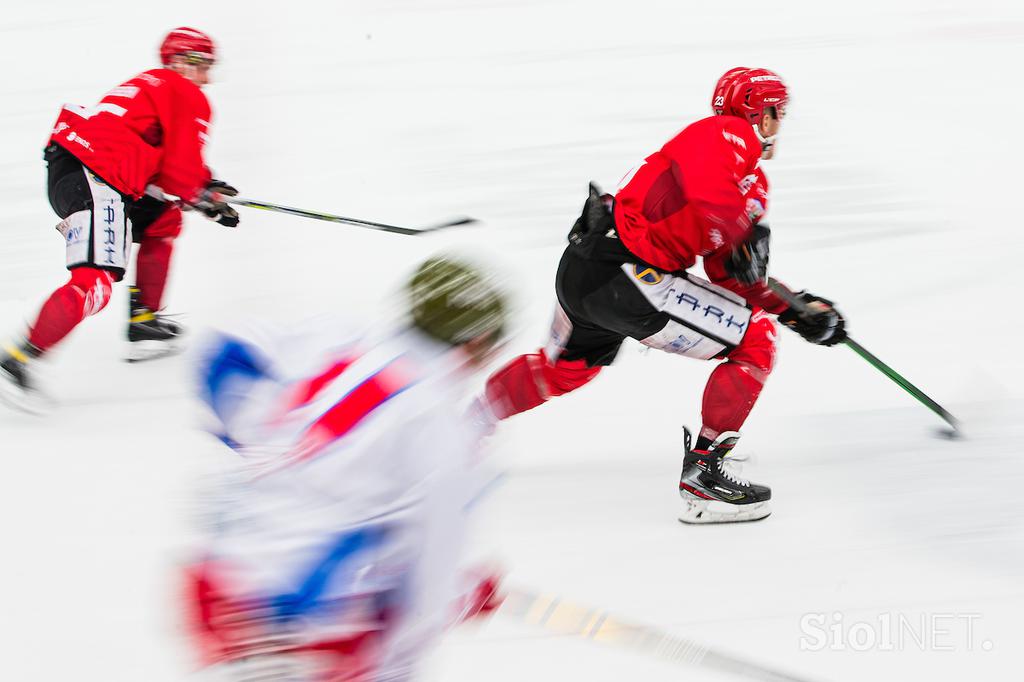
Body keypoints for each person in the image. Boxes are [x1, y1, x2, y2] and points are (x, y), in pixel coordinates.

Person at [473, 67, 847, 524]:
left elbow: (729, 276)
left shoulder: (750, 183)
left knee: (564, 372)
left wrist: (796, 308)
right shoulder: (728, 134)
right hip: (630, 276)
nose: (776, 127)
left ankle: (465, 427)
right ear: (756, 111)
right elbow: (713, 198)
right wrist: (746, 247)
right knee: (757, 341)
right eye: (775, 114)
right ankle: (705, 474)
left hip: (587, 270)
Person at [184, 255, 507, 681]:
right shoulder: (443, 429)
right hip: (306, 612)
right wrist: (456, 597)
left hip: (216, 580)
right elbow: (425, 584)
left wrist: (267, 446)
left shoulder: (339, 334)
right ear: (475, 342)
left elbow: (224, 352)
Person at [0, 27, 239, 408]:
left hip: (78, 169)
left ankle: (144, 321)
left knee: (163, 219)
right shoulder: (184, 91)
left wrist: (203, 186)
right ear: (183, 62)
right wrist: (202, 195)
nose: (207, 79)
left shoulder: (151, 85)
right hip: (98, 178)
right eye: (204, 66)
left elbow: (157, 162)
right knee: (95, 282)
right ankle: (18, 361)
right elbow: (179, 171)